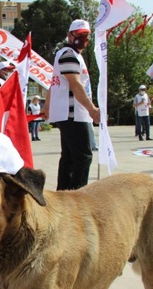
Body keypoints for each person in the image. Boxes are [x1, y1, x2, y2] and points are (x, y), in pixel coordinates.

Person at [42, 19, 100, 191]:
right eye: (79, 35)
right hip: (73, 113)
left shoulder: (69, 55)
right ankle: (77, 196)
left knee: (69, 157)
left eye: (86, 35)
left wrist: (47, 106)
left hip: (69, 113)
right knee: (83, 156)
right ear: (69, 35)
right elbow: (75, 84)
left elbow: (54, 84)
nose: (83, 39)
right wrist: (92, 109)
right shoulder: (69, 54)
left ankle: (64, 194)